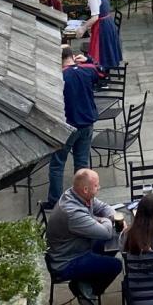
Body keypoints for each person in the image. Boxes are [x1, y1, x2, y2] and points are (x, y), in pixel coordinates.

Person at [46, 168, 122, 305]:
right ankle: (85, 290)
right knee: (116, 266)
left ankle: (85, 280)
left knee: (115, 241)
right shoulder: (72, 212)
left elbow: (105, 207)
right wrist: (104, 219)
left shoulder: (78, 194)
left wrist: (107, 217)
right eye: (96, 185)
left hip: (78, 245)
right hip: (66, 262)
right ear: (86, 189)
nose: (99, 188)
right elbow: (106, 232)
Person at [48, 49, 103, 205]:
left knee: (57, 164)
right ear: (73, 57)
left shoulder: (60, 76)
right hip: (87, 123)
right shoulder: (87, 70)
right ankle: (82, 198)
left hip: (67, 127)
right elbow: (102, 72)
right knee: (81, 164)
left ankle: (55, 201)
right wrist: (89, 59)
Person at [78, 0, 123, 69]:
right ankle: (106, 67)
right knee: (107, 48)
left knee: (101, 49)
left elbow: (95, 18)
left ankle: (101, 70)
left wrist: (83, 27)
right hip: (109, 23)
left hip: (102, 26)